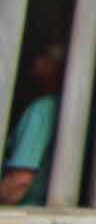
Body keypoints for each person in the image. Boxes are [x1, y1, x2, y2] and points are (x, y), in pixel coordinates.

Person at [1, 45, 64, 206]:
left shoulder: (43, 109)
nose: (34, 61)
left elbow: (19, 182)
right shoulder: (91, 112)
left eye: (43, 55)